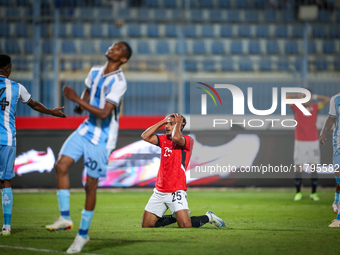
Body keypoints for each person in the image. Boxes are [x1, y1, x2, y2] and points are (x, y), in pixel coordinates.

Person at [45, 41, 132, 253]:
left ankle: (82, 235)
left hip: (102, 137)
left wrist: (77, 99)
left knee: (90, 186)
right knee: (61, 165)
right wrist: (78, 103)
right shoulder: (94, 71)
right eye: (113, 45)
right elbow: (87, 90)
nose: (112, 48)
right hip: (86, 129)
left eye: (118, 48)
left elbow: (103, 113)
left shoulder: (119, 82)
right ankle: (65, 218)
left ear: (123, 59)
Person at [0, 54, 66, 236]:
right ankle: (6, 226)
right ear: (8, 69)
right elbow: (34, 104)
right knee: (5, 182)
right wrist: (52, 112)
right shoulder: (16, 87)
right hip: (6, 140)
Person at [141, 113, 226, 228]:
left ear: (181, 126)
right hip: (160, 190)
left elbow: (176, 138)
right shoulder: (164, 139)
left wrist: (178, 122)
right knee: (147, 225)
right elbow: (145, 136)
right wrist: (163, 121)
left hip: (176, 190)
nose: (167, 126)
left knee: (185, 226)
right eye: (167, 124)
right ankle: (175, 217)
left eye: (171, 124)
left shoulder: (188, 140)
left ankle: (209, 217)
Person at [287, 89, 330, 201]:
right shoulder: (296, 107)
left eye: (307, 96)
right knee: (298, 167)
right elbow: (285, 97)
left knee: (314, 167)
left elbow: (327, 99)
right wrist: (299, 96)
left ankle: (314, 193)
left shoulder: (315, 107)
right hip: (300, 141)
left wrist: (313, 96)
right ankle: (298, 193)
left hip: (313, 141)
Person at [319, 92, 340, 227]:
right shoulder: (335, 99)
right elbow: (332, 118)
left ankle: (339, 218)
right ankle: (337, 199)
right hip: (338, 144)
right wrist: (324, 130)